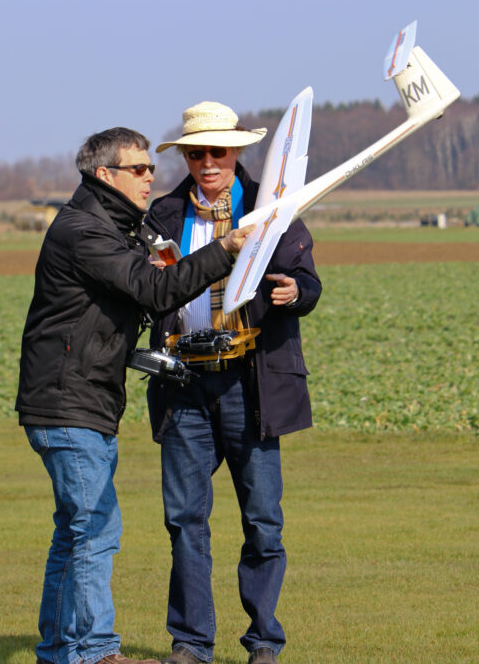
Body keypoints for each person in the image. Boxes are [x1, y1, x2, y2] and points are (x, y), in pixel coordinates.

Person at [15, 126, 254, 664]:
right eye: (139, 169)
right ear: (105, 175)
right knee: (96, 529)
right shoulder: (86, 232)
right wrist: (226, 248)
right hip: (67, 402)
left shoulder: (114, 228)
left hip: (82, 400)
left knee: (73, 533)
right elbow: (153, 289)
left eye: (151, 168)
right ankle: (96, 653)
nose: (152, 177)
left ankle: (58, 650)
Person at [144, 103, 322, 664]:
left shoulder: (275, 211)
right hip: (183, 384)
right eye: (196, 153)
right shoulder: (162, 215)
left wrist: (296, 293)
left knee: (263, 521)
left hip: (249, 382)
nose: (207, 163)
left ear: (237, 153)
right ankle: (191, 644)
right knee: (184, 521)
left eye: (217, 151)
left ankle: (264, 642)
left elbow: (308, 282)